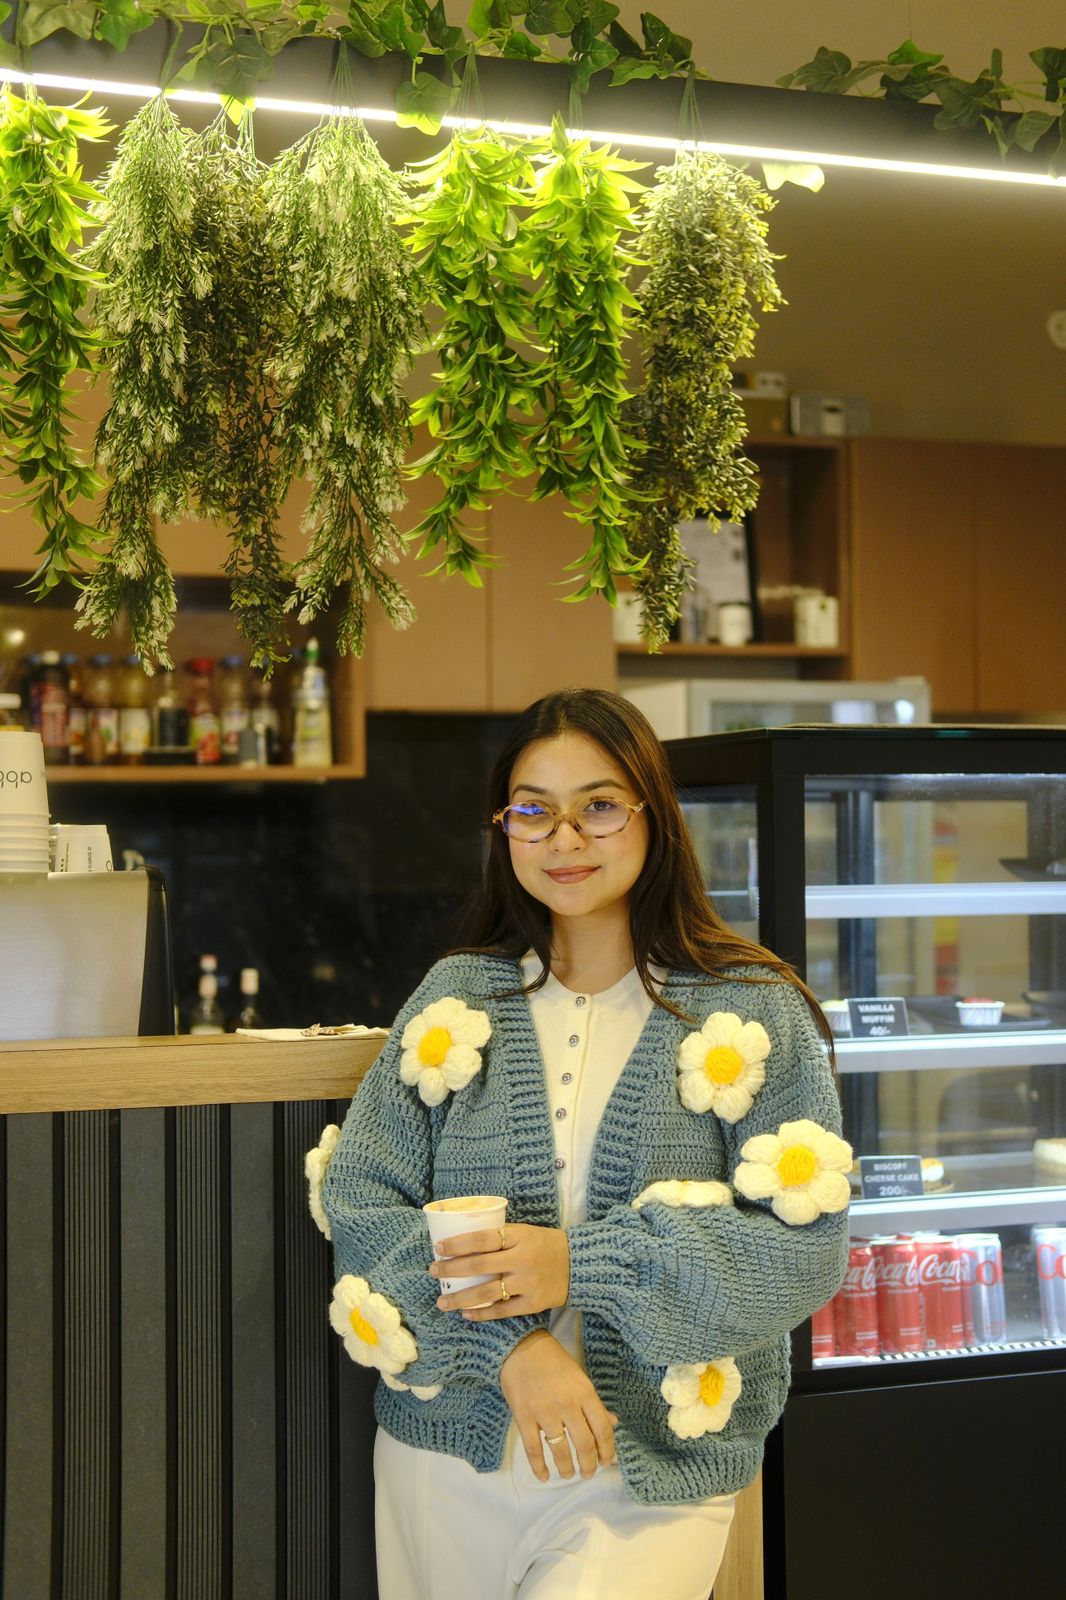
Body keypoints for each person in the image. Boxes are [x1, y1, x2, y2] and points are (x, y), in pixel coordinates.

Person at [317, 687, 850, 1600]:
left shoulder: (751, 1012)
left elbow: (805, 1250)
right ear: (505, 829)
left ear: (653, 814)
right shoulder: (458, 999)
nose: (564, 838)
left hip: (643, 1474)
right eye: (533, 811)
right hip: (447, 1461)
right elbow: (363, 1203)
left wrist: (575, 1266)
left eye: (598, 806)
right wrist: (513, 1352)